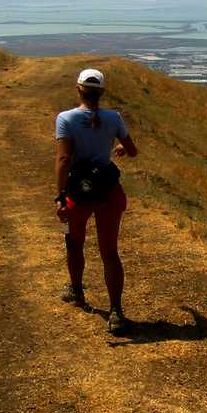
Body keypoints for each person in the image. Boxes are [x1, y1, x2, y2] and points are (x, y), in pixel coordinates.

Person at [54, 68, 138, 333]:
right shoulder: (114, 118)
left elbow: (64, 160)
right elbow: (132, 150)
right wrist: (122, 147)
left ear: (78, 89)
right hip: (109, 192)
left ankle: (77, 291)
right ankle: (116, 311)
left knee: (75, 244)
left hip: (79, 192)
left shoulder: (65, 118)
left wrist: (60, 196)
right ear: (102, 92)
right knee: (110, 254)